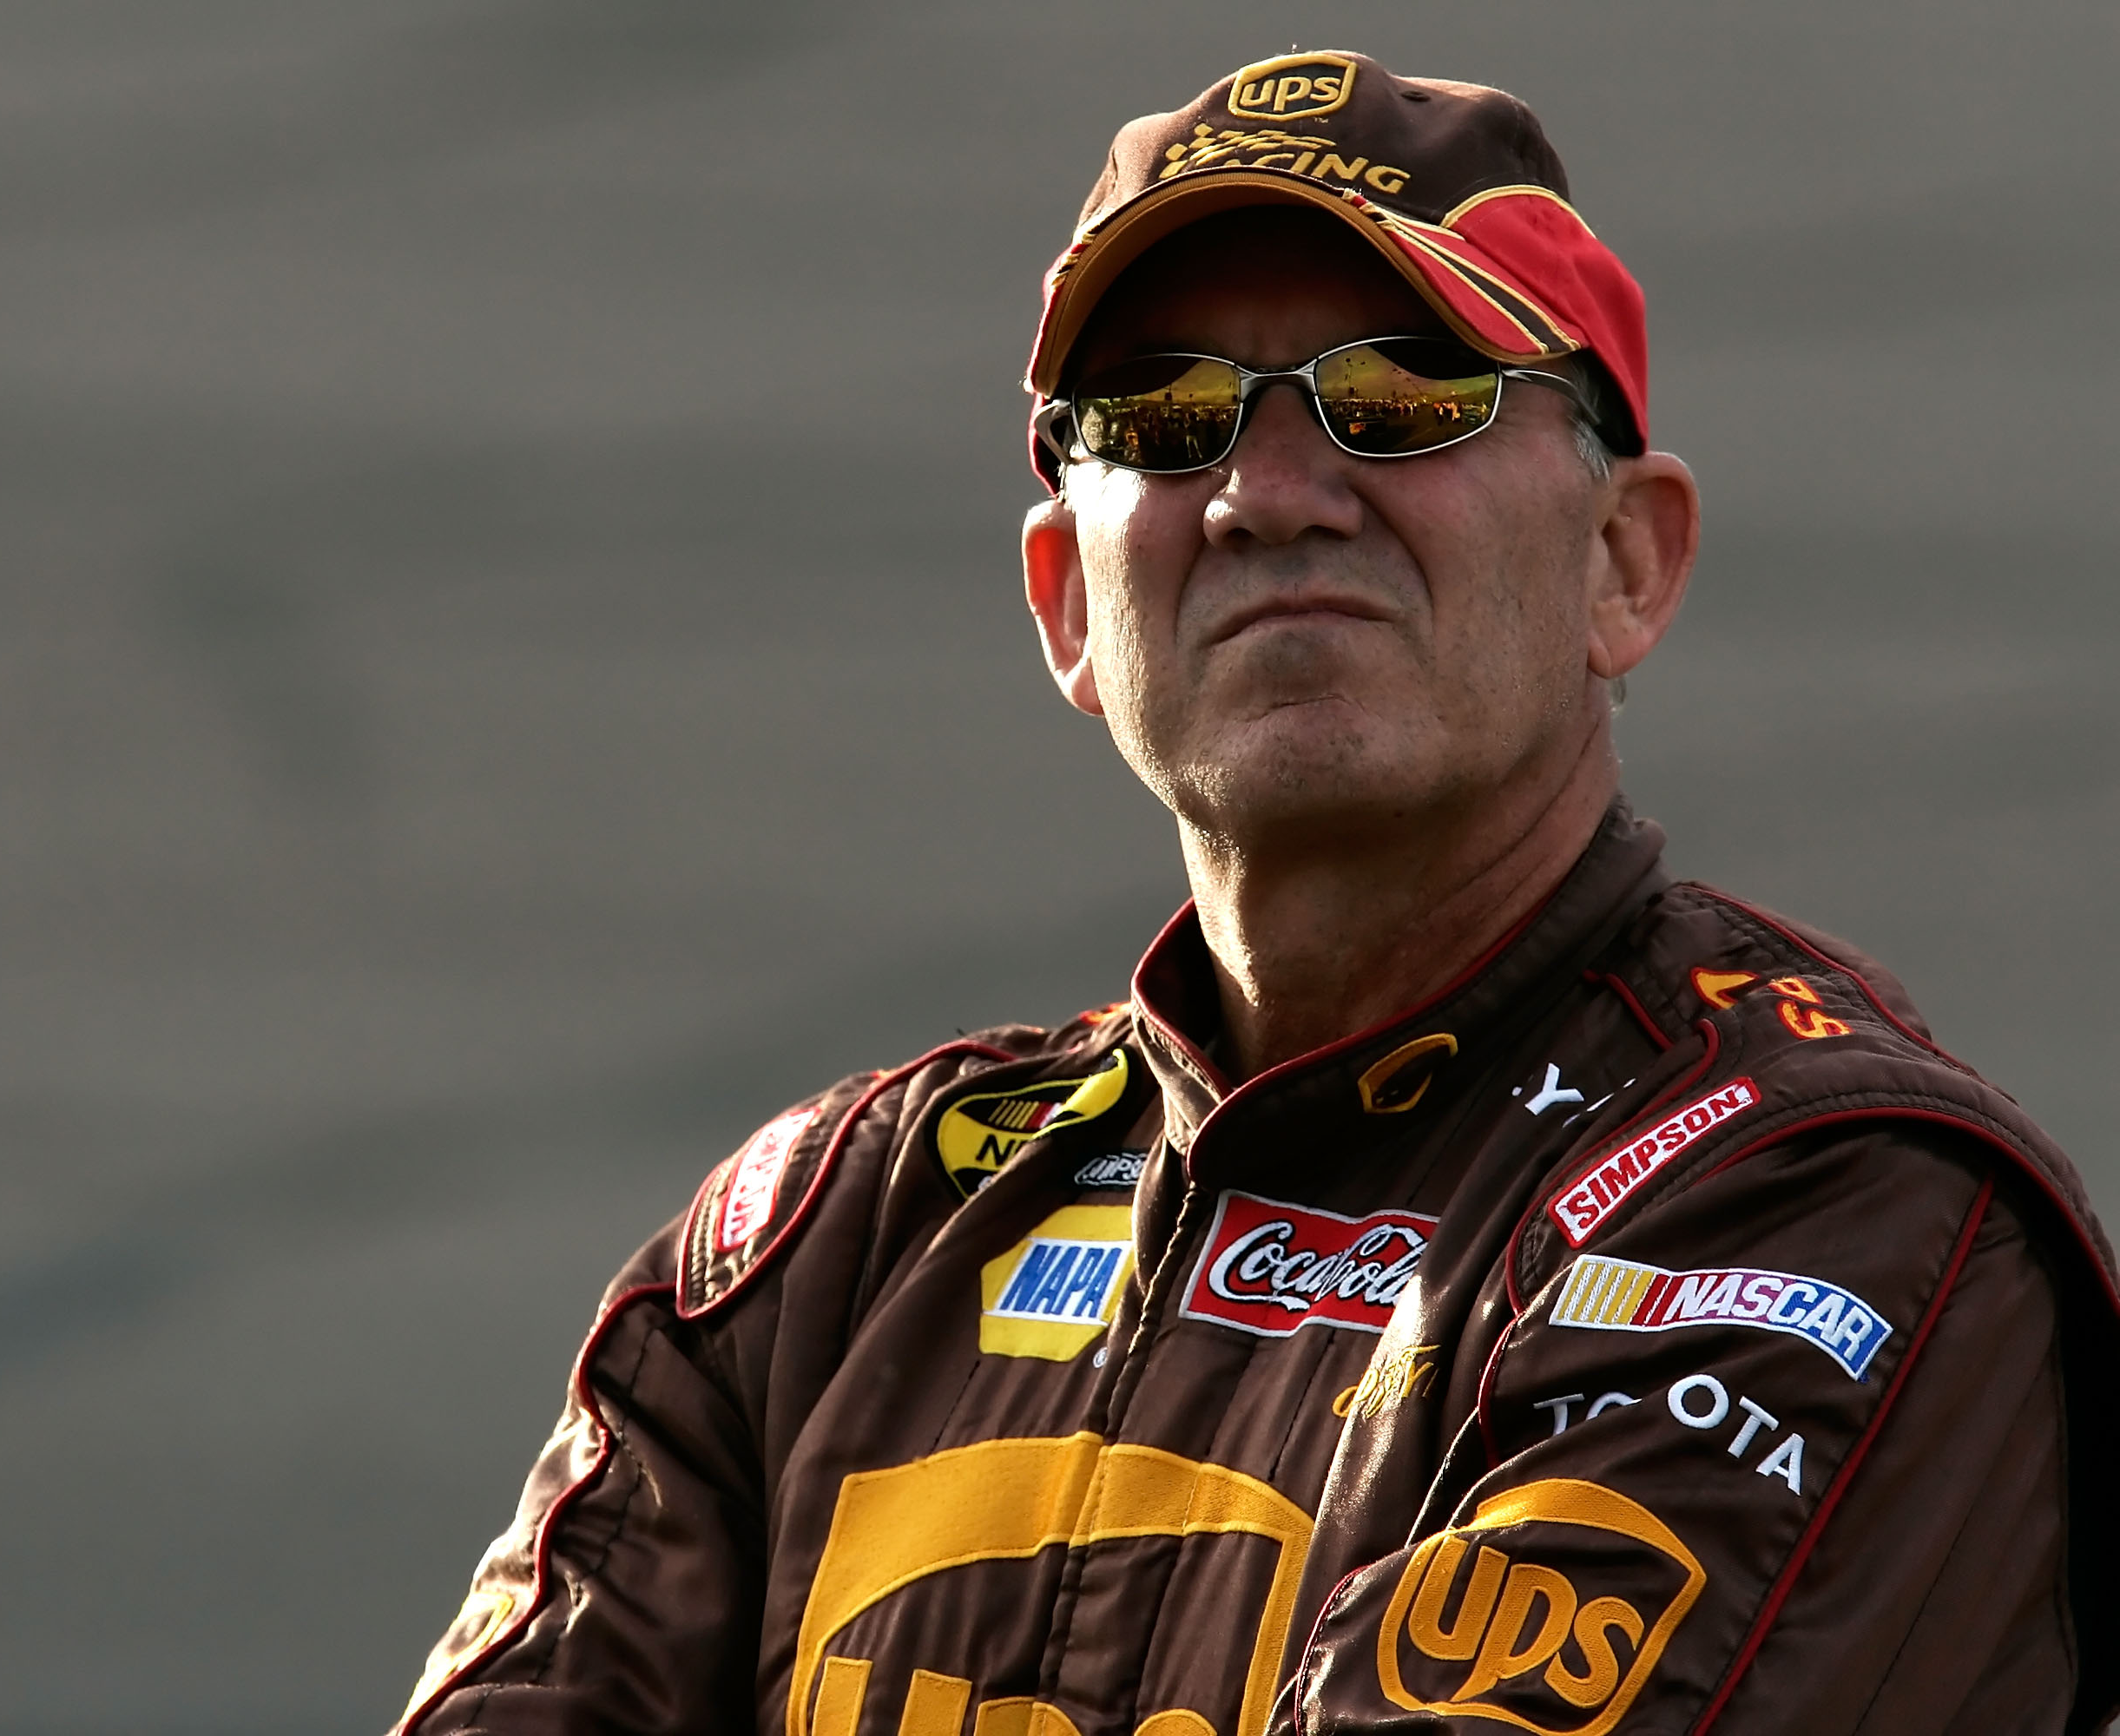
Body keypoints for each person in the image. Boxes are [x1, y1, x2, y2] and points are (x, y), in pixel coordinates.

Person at [398, 51, 2117, 1736]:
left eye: (1406, 395)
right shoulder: (825, 1239)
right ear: (1069, 603)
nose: (1267, 495)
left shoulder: (1808, 1210)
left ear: (1626, 559)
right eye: (1163, 416)